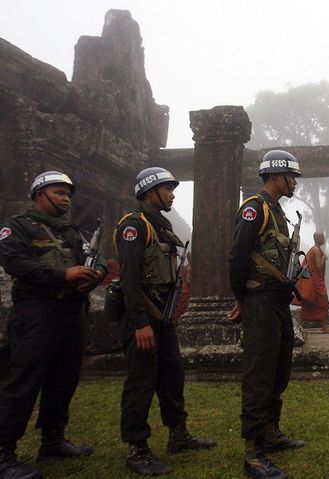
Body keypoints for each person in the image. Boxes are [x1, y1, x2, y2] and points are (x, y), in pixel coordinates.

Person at [0, 171, 106, 479]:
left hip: (71, 312)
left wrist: (94, 275)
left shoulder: (71, 231)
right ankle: (4, 453)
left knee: (64, 379)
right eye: (59, 192)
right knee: (24, 382)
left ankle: (53, 439)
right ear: (39, 195)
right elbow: (15, 263)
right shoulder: (17, 227)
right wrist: (64, 276)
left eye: (68, 194)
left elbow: (96, 258)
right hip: (36, 312)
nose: (65, 199)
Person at [116, 167, 216, 476]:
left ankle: (179, 434)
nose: (173, 193)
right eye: (167, 188)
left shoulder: (161, 227)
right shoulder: (135, 226)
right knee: (141, 381)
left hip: (164, 315)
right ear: (149, 192)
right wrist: (139, 324)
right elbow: (129, 281)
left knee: (173, 375)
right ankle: (137, 448)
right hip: (143, 316)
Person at [229, 150, 305, 479]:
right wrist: (242, 298)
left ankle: (271, 432)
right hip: (259, 300)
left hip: (277, 302)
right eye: (291, 176)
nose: (294, 182)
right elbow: (237, 257)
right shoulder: (254, 209)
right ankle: (253, 453)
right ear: (275, 175)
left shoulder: (277, 213)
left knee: (279, 369)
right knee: (259, 374)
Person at [297, 232, 329, 333]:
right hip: (316, 280)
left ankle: (300, 324)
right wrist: (323, 257)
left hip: (314, 279)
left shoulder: (314, 249)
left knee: (310, 303)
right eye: (321, 237)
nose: (323, 239)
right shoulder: (316, 250)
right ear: (317, 239)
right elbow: (318, 266)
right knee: (324, 302)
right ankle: (325, 327)